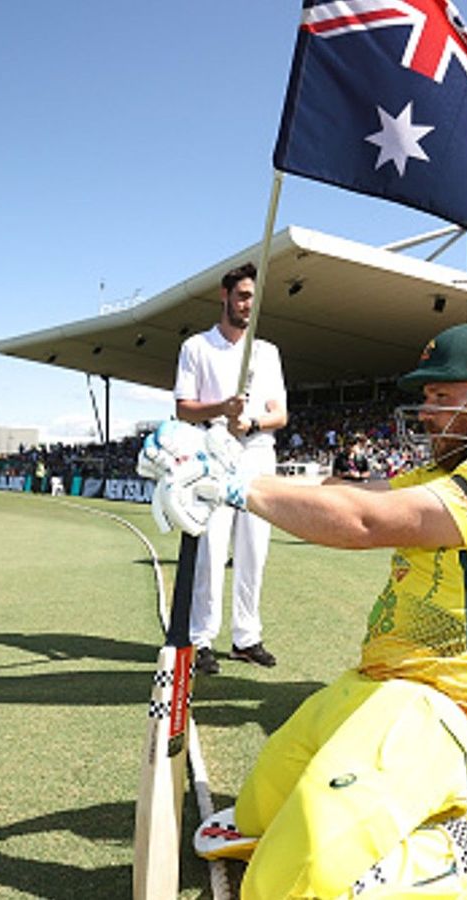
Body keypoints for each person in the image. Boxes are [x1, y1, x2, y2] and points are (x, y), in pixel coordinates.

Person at [140, 322, 467, 898]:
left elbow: (364, 522)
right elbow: (356, 493)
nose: (427, 411)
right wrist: (227, 462)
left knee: (283, 888)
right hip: (373, 684)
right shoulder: (452, 470)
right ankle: (425, 807)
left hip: (437, 708)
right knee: (246, 822)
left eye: (442, 396)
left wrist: (236, 487)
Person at [173, 262, 289, 675]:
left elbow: (280, 413)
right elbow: (183, 408)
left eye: (253, 299)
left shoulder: (266, 351)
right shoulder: (196, 347)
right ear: (224, 296)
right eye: (241, 296)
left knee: (254, 549)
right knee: (212, 548)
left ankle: (246, 638)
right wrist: (223, 408)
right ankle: (203, 637)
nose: (247, 305)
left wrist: (252, 422)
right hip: (212, 450)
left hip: (257, 451)